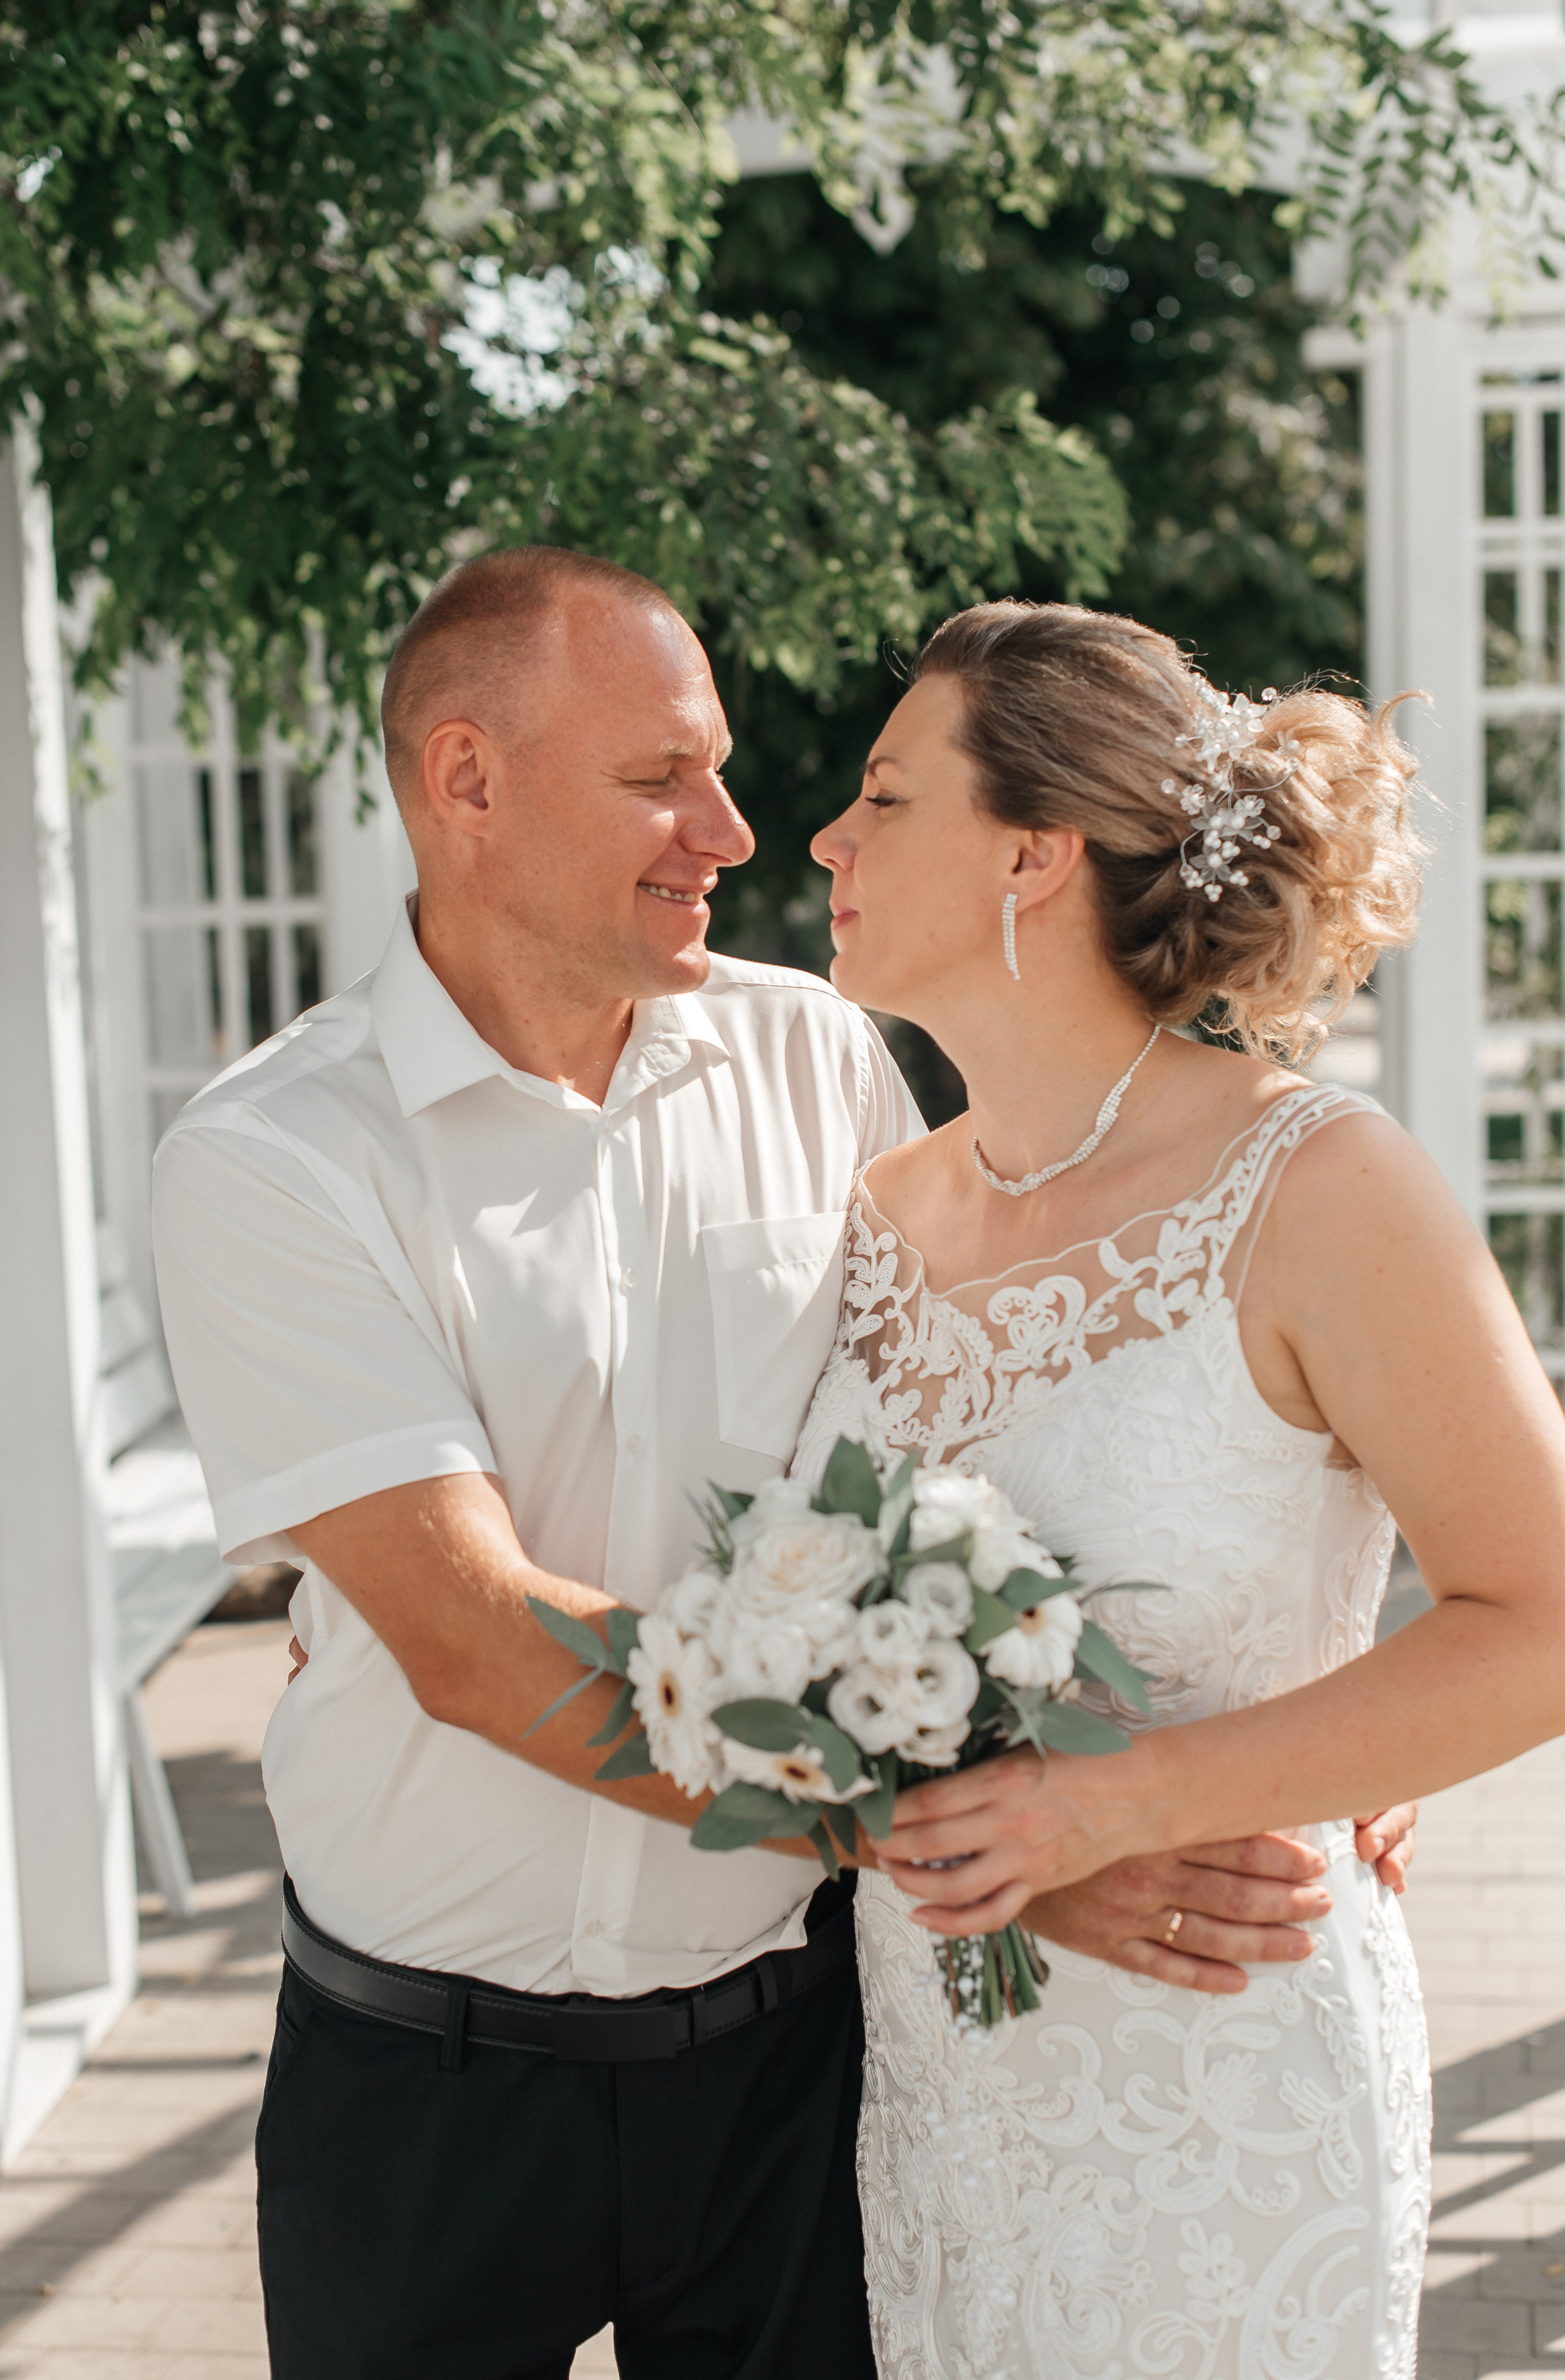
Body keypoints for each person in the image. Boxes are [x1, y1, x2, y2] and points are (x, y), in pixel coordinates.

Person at [149, 548, 1383, 2380]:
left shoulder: (821, 1061)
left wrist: (1316, 1686)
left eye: (717, 768)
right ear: (464, 782)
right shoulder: (276, 1157)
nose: (731, 829)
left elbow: (1026, 1409)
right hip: (426, 2087)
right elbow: (478, 1645)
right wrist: (995, 1849)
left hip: (797, 2073)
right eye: (660, 777)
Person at [794, 597, 1565, 2378]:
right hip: (936, 2080)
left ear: (1036, 856)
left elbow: (1539, 1616)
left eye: (886, 796)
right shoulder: (875, 1217)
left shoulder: (1320, 1185)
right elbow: (802, 1634)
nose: (828, 838)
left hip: (1224, 2078)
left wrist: (1125, 1802)